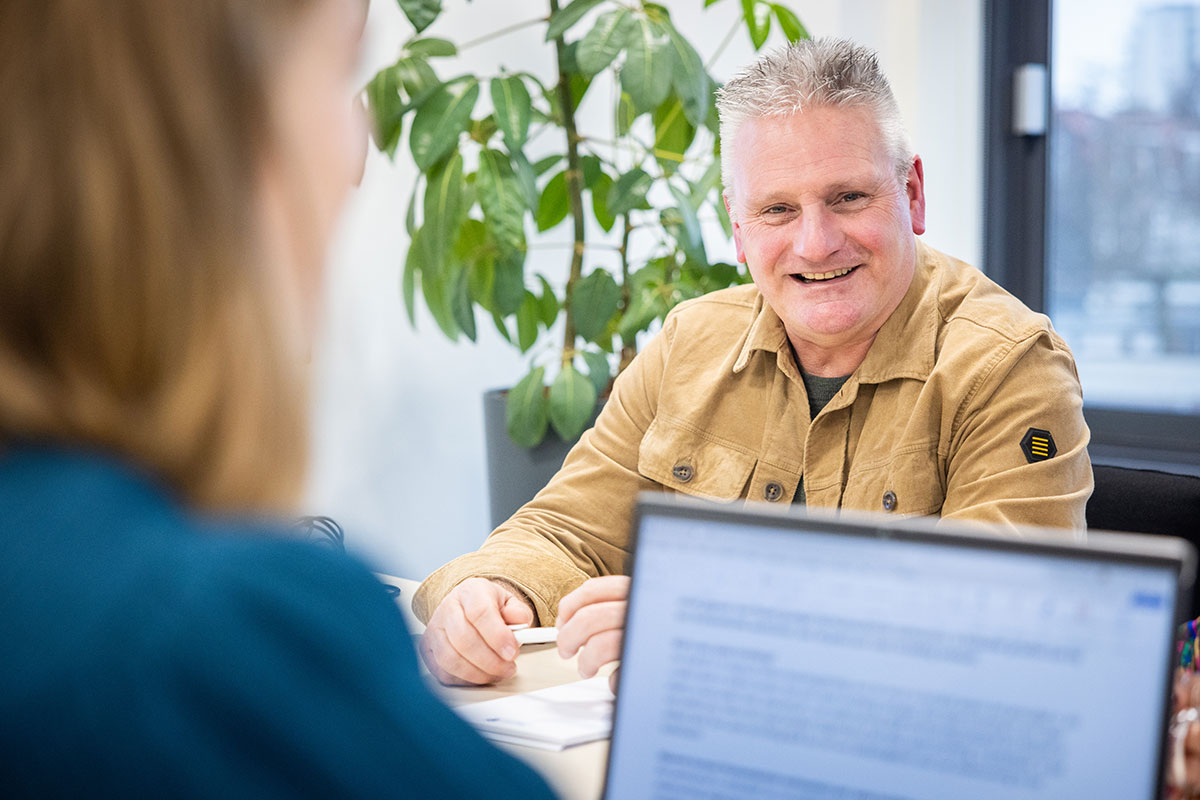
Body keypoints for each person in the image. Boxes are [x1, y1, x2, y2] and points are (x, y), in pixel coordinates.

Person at [413, 37, 1095, 689]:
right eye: (776, 209)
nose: (816, 242)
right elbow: (562, 531)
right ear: (738, 228)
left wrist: (703, 624)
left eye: (848, 198)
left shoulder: (1008, 365)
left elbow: (1005, 622)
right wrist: (486, 592)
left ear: (912, 194)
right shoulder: (689, 342)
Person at [0, 1, 556, 797]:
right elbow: (561, 519)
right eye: (339, 75)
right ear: (208, 142)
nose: (358, 151)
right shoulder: (214, 639)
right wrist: (492, 588)